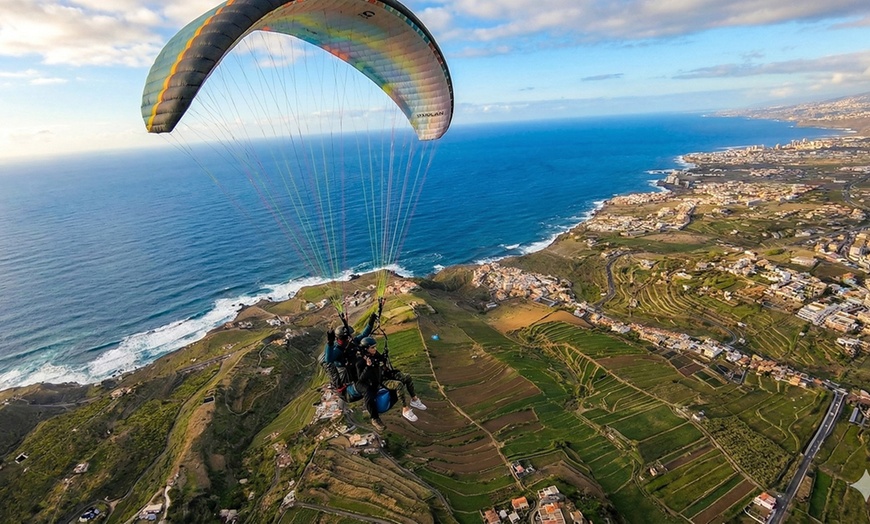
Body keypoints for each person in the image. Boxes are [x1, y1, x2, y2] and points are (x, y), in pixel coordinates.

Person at [353, 336, 426, 431]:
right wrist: (368, 367)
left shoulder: (374, 355)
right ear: (366, 349)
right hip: (378, 382)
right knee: (398, 385)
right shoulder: (360, 362)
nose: (375, 349)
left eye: (375, 347)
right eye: (373, 347)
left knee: (407, 377)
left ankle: (414, 400)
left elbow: (381, 360)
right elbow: (361, 378)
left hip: (384, 375)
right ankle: (405, 409)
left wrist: (384, 356)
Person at [320, 312, 377, 389]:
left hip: (354, 368)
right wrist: (330, 343)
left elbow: (364, 334)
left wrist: (371, 321)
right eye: (350, 335)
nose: (352, 336)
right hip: (348, 376)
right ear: (345, 338)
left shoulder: (351, 342)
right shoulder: (338, 349)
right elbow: (328, 359)